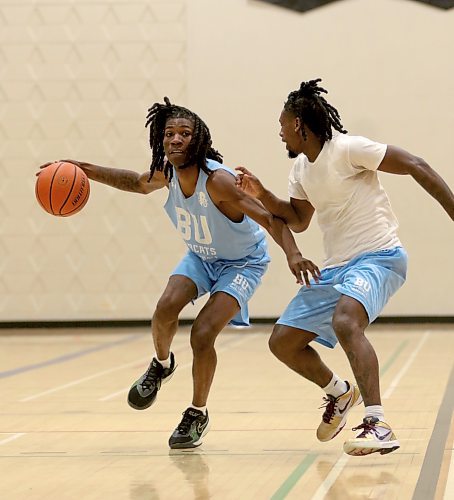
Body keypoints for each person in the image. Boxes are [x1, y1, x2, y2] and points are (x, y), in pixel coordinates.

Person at [40, 97, 320, 449]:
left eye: (184, 133)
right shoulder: (167, 172)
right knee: (165, 307)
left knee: (202, 335)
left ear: (197, 139)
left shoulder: (218, 181)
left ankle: (197, 413)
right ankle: (161, 364)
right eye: (169, 133)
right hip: (201, 256)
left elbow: (270, 219)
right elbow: (136, 182)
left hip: (242, 263)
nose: (175, 139)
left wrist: (293, 255)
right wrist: (80, 167)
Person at [236, 78, 454, 456]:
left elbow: (416, 165)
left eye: (283, 125)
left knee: (346, 321)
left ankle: (378, 423)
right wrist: (261, 193)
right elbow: (297, 219)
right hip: (337, 268)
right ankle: (339, 392)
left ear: (300, 125)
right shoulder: (302, 168)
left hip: (379, 256)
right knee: (283, 342)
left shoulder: (349, 148)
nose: (280, 132)